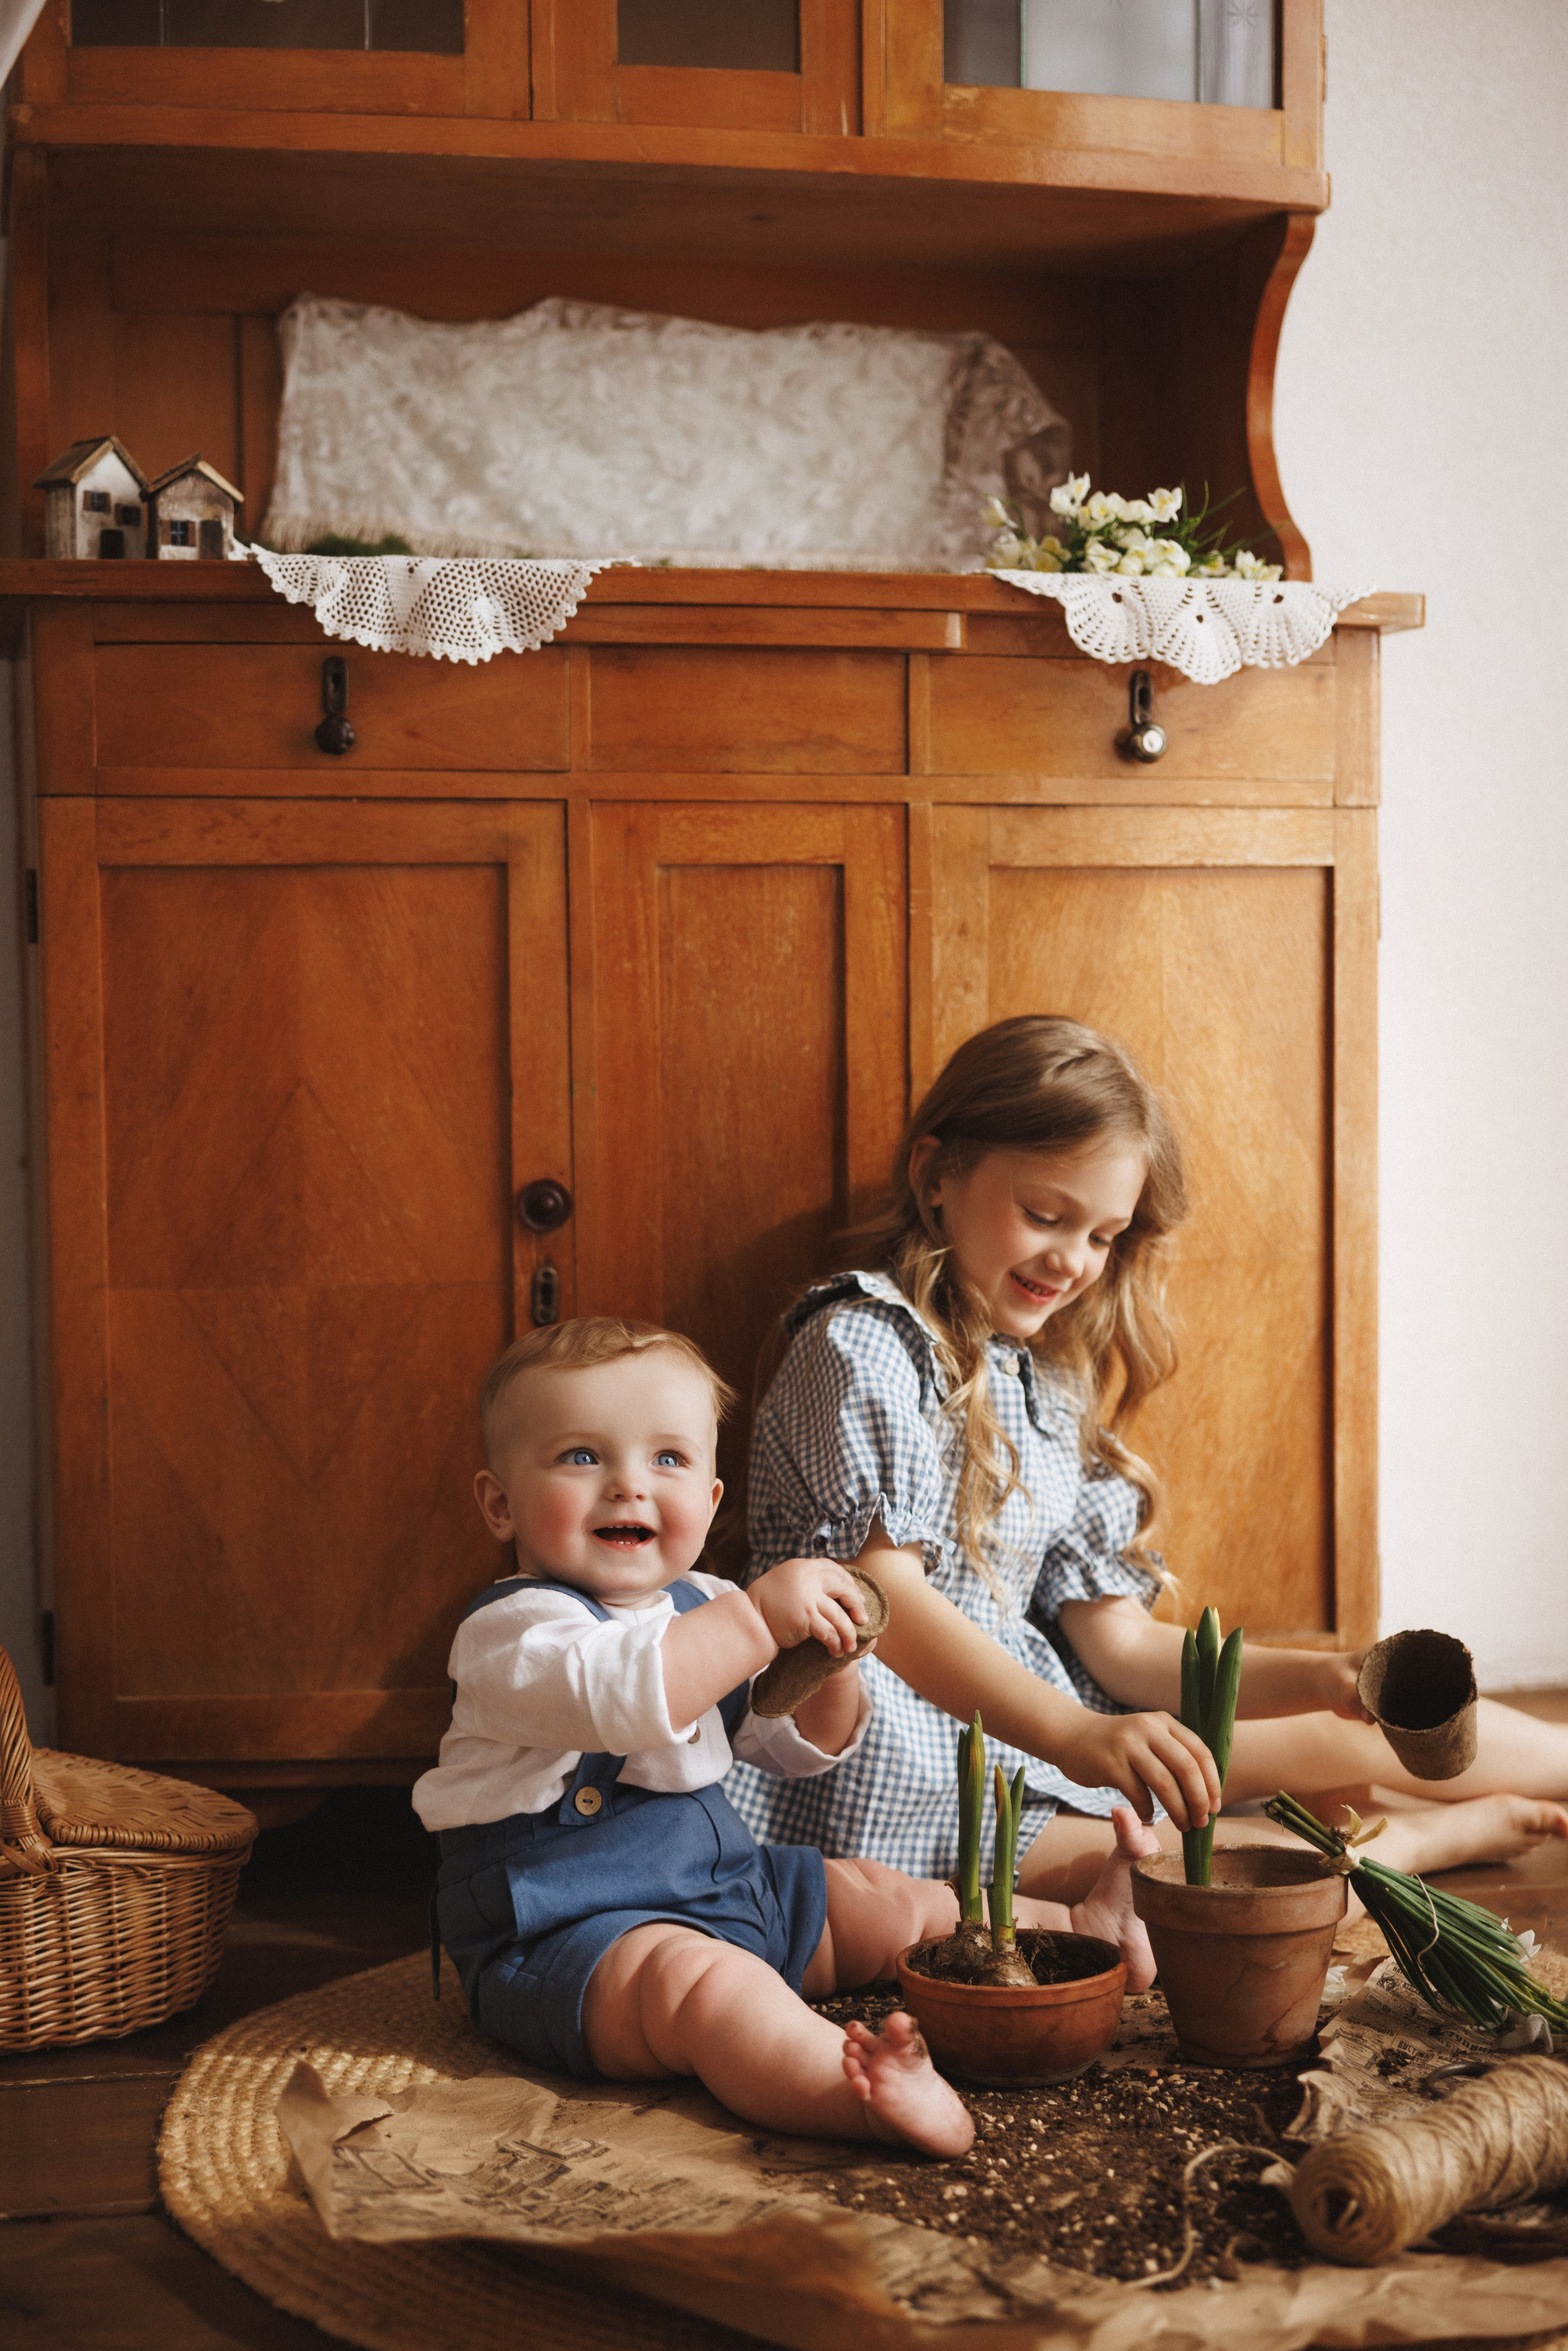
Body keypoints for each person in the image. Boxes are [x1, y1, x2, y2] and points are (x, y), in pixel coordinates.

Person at [727, 1014, 1568, 1902]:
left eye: (1103, 1235)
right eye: (1045, 1215)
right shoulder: (858, 1345)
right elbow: (883, 1601)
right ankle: (1414, 1840)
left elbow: (1119, 1645)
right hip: (895, 1760)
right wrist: (1077, 1735)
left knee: (1339, 1726)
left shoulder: (1046, 1377)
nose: (1075, 1260)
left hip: (1052, 1716)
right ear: (937, 1174)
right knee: (1175, 1880)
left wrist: (1320, 1676)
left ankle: (1462, 1782)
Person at [416, 1315, 1163, 2157]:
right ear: (499, 1503)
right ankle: (858, 2094)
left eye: (667, 1458)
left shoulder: (702, 1600)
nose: (628, 1485)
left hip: (731, 1886)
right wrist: (763, 1613)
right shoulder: (513, 1631)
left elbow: (798, 1744)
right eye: (582, 1456)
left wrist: (830, 1671)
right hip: (575, 1937)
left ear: (709, 1500)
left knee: (884, 1897)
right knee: (710, 1990)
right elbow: (630, 1694)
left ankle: (1076, 1928)